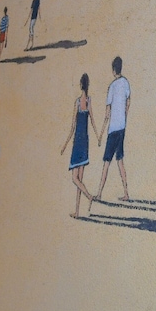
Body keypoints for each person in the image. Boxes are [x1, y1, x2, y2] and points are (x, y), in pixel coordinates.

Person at [60, 73, 100, 218]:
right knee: (79, 179)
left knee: (74, 179)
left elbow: (72, 127)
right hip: (85, 142)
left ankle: (89, 196)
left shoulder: (77, 102)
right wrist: (98, 136)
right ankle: (77, 212)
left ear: (80, 85)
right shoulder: (88, 101)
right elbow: (93, 120)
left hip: (77, 142)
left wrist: (65, 145)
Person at [96, 57, 131, 202]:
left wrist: (100, 134)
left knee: (106, 162)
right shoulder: (125, 83)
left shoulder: (112, 87)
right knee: (120, 160)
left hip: (113, 129)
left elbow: (107, 115)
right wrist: (124, 117)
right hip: (122, 127)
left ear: (113, 70)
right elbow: (128, 103)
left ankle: (99, 194)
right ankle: (126, 193)